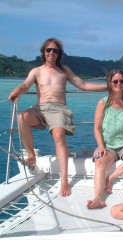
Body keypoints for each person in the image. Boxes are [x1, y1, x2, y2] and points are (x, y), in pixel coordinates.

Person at [8, 38, 107, 197]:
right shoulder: (37, 71)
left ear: (59, 54)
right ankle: (31, 154)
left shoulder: (64, 70)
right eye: (49, 50)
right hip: (39, 108)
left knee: (58, 136)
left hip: (58, 109)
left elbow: (83, 85)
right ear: (44, 52)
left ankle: (64, 181)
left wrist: (108, 86)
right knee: (22, 118)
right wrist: (17, 90)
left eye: (55, 50)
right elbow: (25, 85)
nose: (52, 53)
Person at [86, 70, 123, 209]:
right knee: (100, 162)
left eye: (121, 81)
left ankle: (111, 178)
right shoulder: (103, 103)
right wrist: (101, 146)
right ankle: (98, 199)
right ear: (110, 83)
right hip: (108, 145)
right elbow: (97, 128)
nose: (118, 84)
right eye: (115, 81)